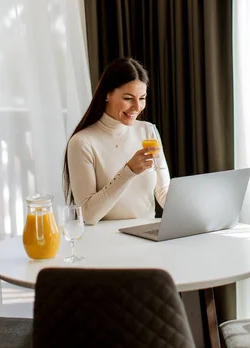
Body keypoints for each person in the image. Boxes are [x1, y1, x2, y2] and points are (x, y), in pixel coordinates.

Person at [63, 57, 170, 225]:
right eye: (128, 98)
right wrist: (129, 171)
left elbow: (164, 192)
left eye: (142, 98)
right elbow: (88, 214)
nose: (137, 107)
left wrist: (196, 212)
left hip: (147, 234)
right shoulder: (82, 142)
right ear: (107, 94)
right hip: (106, 241)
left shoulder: (147, 131)